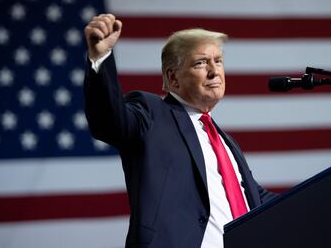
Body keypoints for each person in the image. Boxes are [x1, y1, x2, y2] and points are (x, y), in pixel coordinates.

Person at [83, 13, 277, 248]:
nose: (214, 71)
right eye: (201, 63)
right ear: (172, 78)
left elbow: (257, 200)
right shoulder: (152, 113)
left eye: (218, 61)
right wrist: (100, 57)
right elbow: (109, 121)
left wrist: (324, 197)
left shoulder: (226, 143)